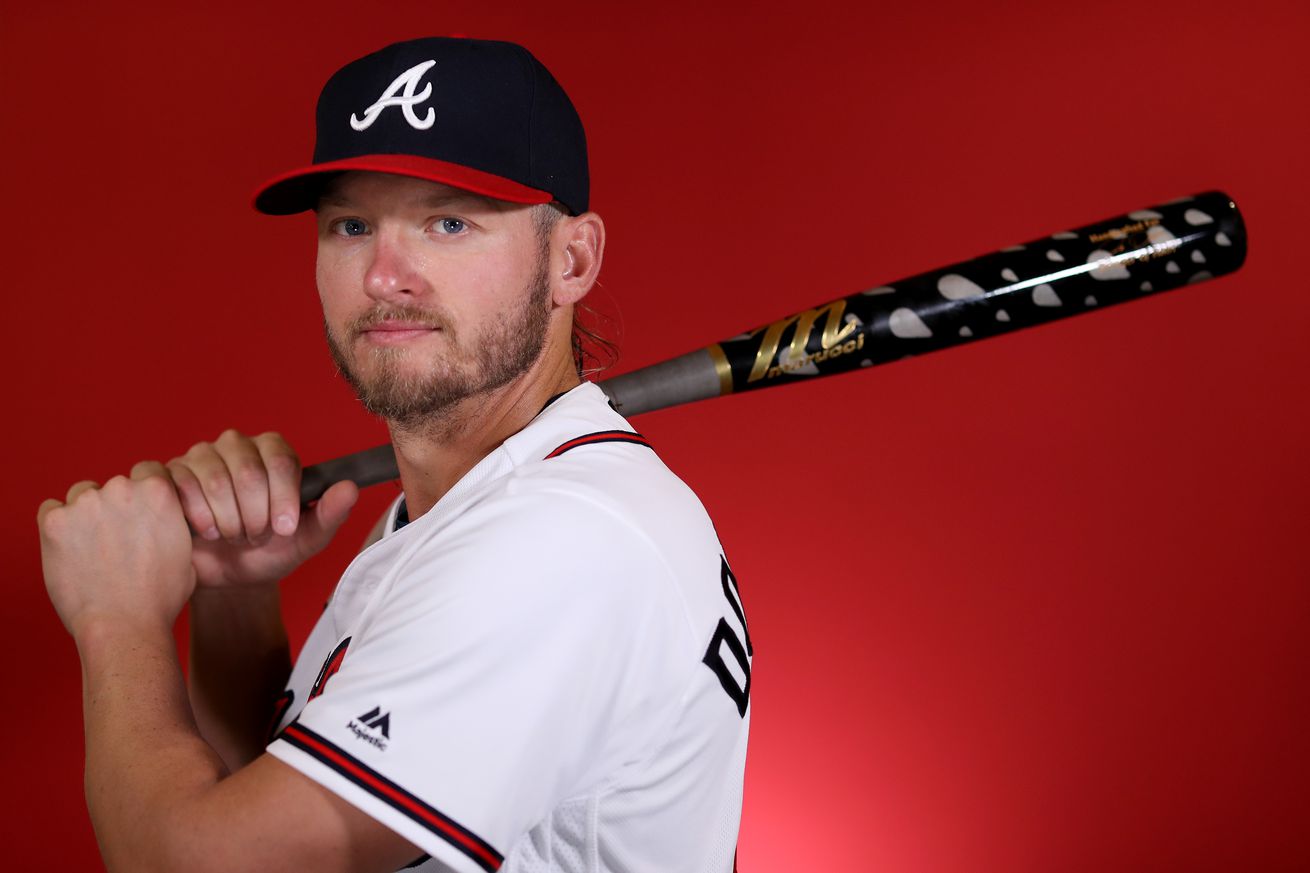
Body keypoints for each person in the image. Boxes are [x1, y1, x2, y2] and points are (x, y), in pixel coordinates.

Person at [36, 37, 751, 873]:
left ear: (572, 259)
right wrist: (238, 589)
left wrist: (115, 619)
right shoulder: (474, 507)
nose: (384, 275)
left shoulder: (561, 542)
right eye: (351, 224)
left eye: (448, 222)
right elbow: (266, 790)